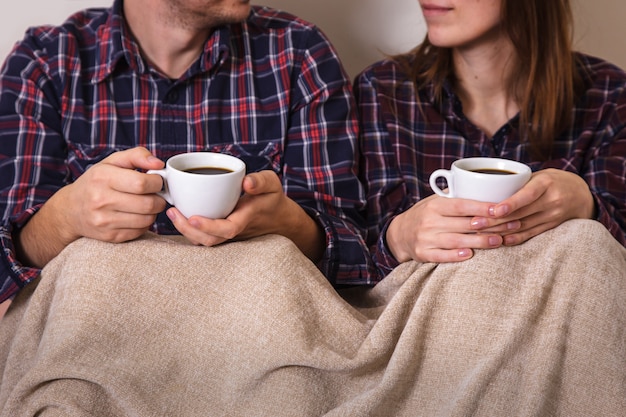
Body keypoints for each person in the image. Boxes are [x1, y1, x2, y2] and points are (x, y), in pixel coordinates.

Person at [0, 0, 375, 307]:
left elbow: (359, 253)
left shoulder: (298, 53)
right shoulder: (46, 63)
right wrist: (64, 219)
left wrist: (294, 227)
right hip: (99, 338)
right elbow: (7, 263)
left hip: (250, 336)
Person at [351, 0, 626, 414]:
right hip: (425, 357)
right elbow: (343, 271)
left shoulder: (609, 98)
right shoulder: (381, 92)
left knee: (585, 240)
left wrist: (589, 206)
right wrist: (397, 238)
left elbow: (610, 287)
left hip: (549, 355)